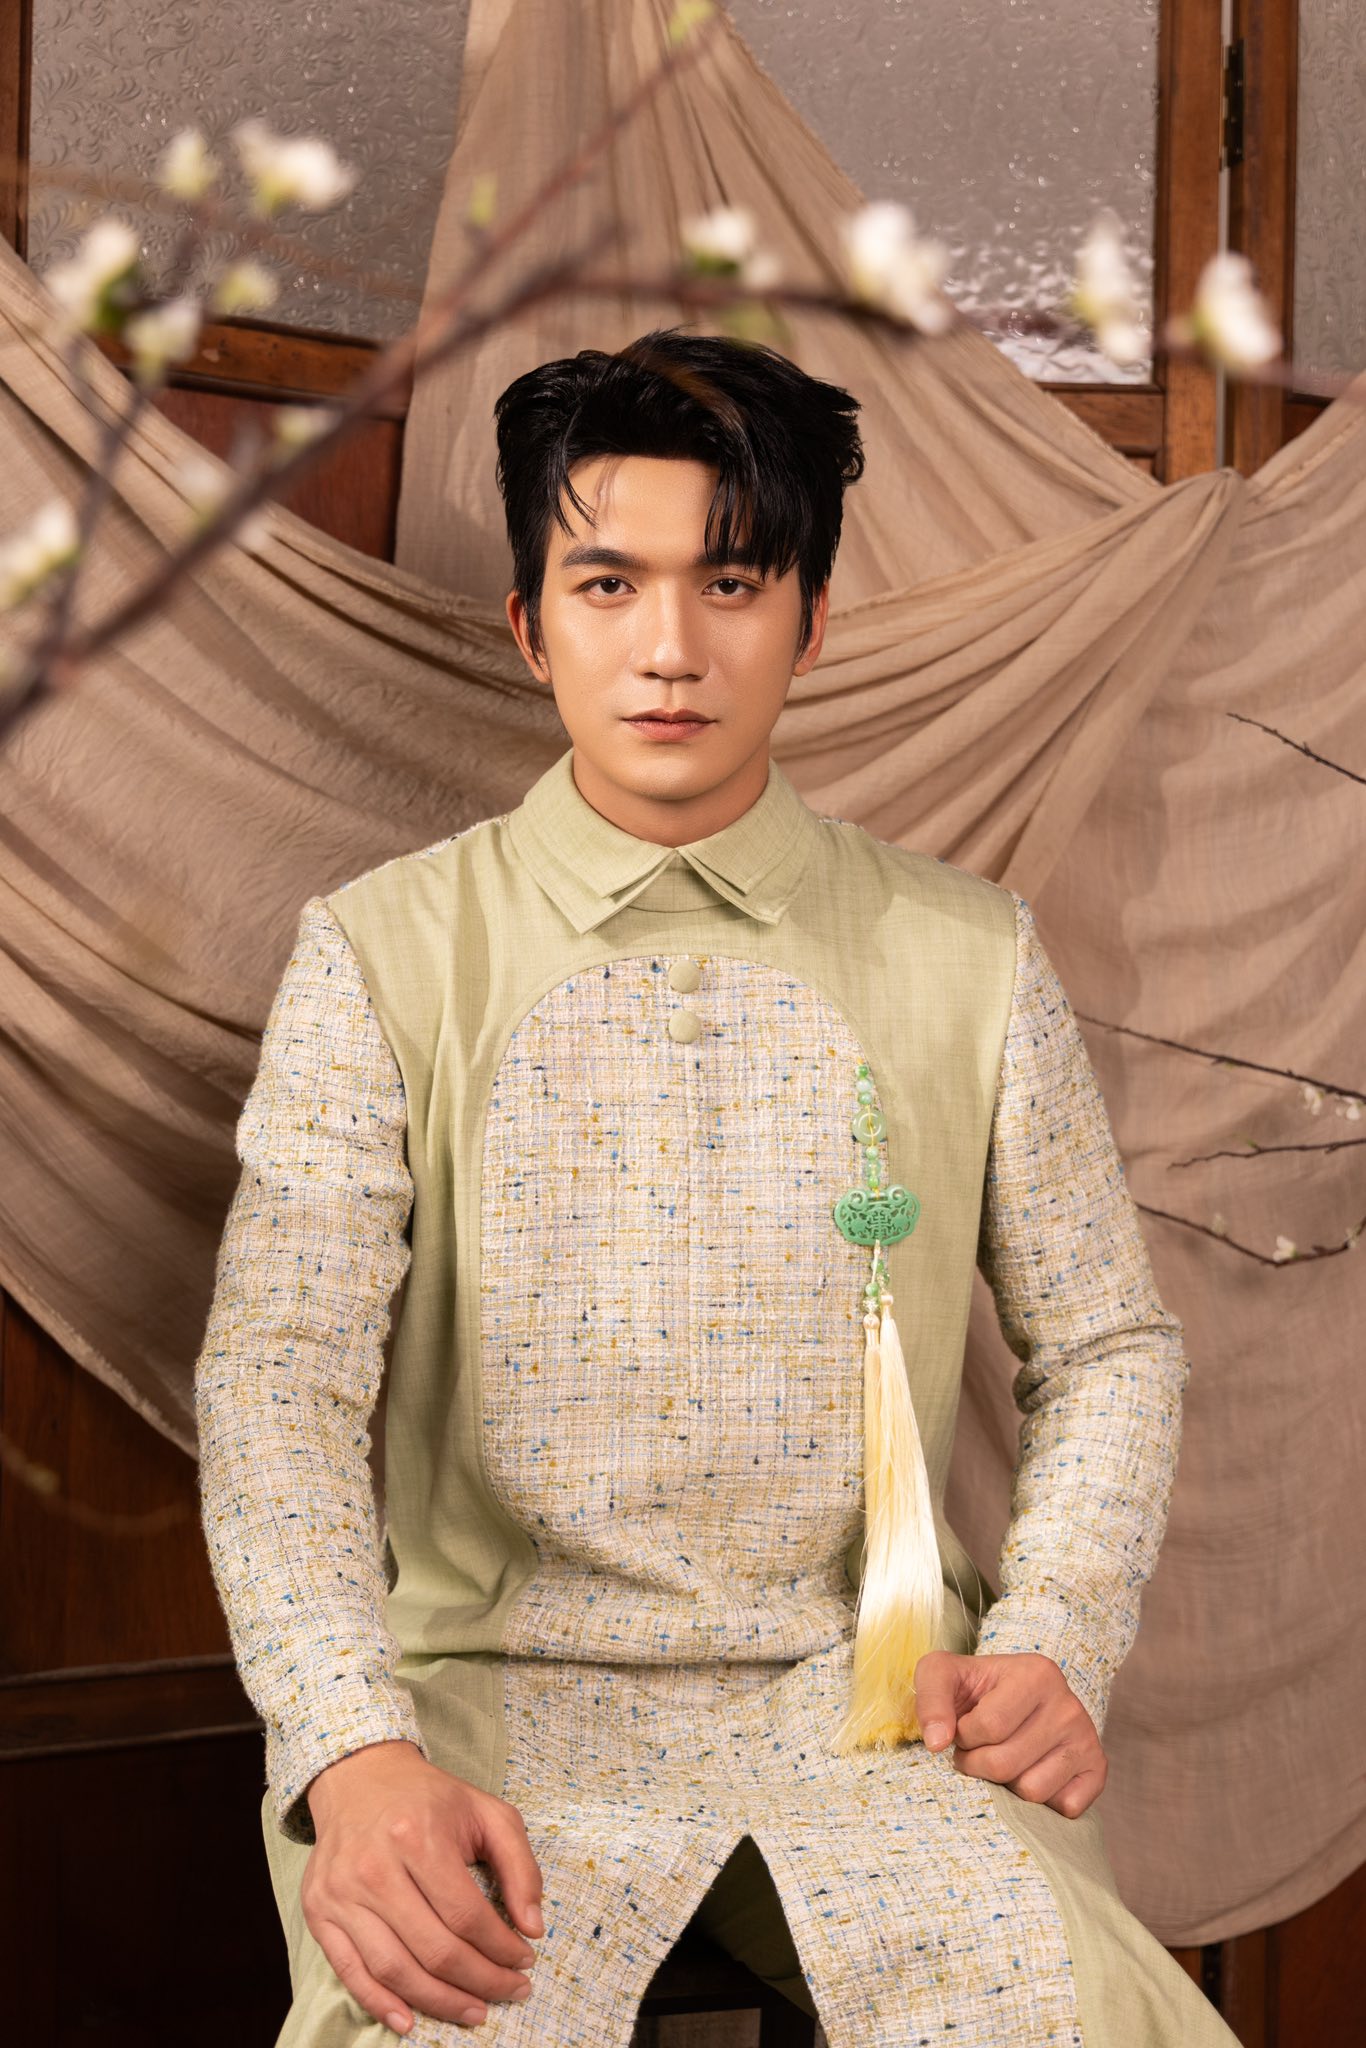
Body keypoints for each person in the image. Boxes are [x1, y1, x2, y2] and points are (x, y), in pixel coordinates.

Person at [194, 327, 1240, 2046]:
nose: (670, 648)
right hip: (478, 1712)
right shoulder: (382, 953)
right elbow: (278, 1380)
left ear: (808, 622)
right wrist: (349, 1746)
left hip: (886, 1705)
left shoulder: (969, 953)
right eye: (607, 584)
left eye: (731, 583)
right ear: (530, 623)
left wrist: (1053, 1635)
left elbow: (1109, 1345)